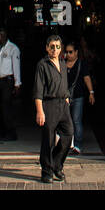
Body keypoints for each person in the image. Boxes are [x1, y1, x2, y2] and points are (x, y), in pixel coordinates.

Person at [33, 34, 73, 183]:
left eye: (57, 47)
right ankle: (47, 171)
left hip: (63, 104)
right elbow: (38, 89)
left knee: (68, 134)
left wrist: (67, 96)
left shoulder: (63, 63)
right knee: (48, 140)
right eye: (52, 47)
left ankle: (57, 164)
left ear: (60, 48)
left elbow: (64, 83)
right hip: (49, 105)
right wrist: (40, 110)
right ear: (47, 48)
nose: (55, 50)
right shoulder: (42, 65)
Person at [0, 28, 21, 141]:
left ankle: (10, 133)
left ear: (2, 35)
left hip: (8, 81)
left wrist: (17, 84)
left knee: (6, 108)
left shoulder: (13, 49)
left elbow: (16, 67)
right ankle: (2, 132)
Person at [63, 41, 94, 154]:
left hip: (78, 96)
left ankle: (77, 145)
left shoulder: (81, 64)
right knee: (66, 121)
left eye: (70, 52)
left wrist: (91, 92)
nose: (68, 54)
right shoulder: (62, 64)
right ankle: (67, 144)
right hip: (64, 97)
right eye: (66, 52)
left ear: (76, 52)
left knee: (76, 120)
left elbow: (87, 78)